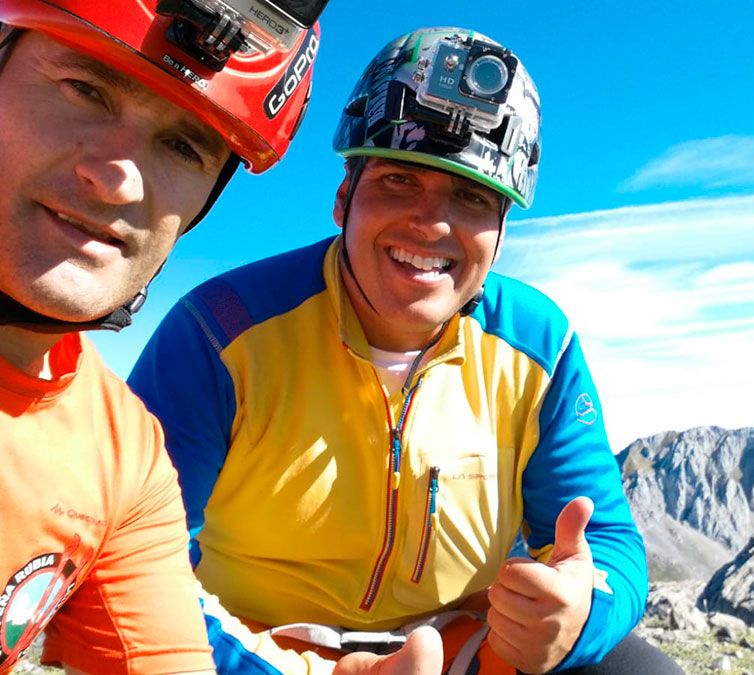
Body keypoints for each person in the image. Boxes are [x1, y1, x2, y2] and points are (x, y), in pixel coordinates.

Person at [129, 26, 681, 675]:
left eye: (473, 197)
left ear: (500, 233)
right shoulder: (221, 331)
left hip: (465, 647)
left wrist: (579, 613)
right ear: (344, 198)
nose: (433, 222)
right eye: (398, 180)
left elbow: (609, 542)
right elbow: (138, 558)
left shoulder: (541, 344)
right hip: (256, 651)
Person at [0, 2, 438, 673]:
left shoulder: (121, 453)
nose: (117, 177)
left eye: (183, 145)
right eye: (84, 89)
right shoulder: (211, 344)